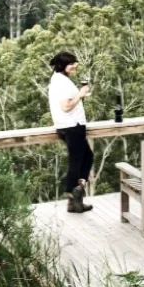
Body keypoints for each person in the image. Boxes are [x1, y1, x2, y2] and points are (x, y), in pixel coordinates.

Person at [48, 51, 94, 213]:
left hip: (72, 125)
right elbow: (65, 106)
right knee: (77, 161)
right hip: (71, 126)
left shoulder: (60, 79)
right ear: (62, 65)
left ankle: (75, 200)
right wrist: (80, 94)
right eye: (71, 63)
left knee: (86, 157)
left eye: (75, 63)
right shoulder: (60, 82)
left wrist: (80, 95)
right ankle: (73, 194)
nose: (74, 66)